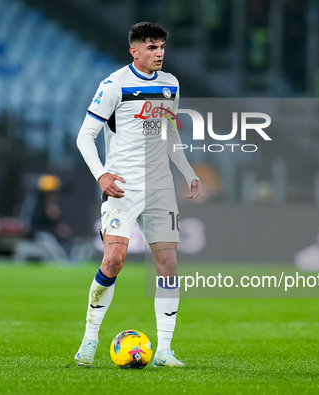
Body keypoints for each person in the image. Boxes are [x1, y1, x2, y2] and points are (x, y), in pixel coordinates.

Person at [74, 22, 201, 368]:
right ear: (134, 50)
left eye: (162, 47)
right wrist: (101, 174)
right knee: (114, 260)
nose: (159, 53)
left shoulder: (171, 84)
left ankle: (164, 351)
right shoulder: (114, 84)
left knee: (168, 265)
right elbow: (85, 136)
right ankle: (89, 340)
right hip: (122, 186)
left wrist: (187, 170)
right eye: (151, 48)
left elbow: (170, 132)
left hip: (160, 186)